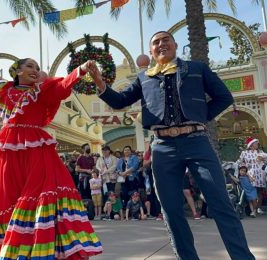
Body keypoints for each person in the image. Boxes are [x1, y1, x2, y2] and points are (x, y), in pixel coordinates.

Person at [88, 31, 255, 259]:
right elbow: (120, 101)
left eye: (166, 39)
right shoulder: (144, 77)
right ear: (151, 51)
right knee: (171, 210)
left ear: (175, 45)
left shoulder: (197, 68)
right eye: (155, 42)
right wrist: (100, 83)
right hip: (162, 146)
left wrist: (199, 117)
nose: (161, 44)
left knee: (220, 203)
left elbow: (224, 97)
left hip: (196, 141)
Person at [0, 59, 102, 259]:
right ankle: (16, 251)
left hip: (37, 148)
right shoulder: (1, 89)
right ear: (17, 70)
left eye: (37, 67)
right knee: (8, 198)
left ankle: (45, 249)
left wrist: (79, 71)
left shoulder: (42, 90)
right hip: (8, 152)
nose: (36, 70)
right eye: (30, 66)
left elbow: (62, 86)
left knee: (43, 192)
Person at [239, 137, 267, 214]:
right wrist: (244, 171)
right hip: (250, 173)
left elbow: (266, 160)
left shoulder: (260, 152)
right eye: (256, 143)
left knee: (259, 191)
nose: (257, 144)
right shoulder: (244, 153)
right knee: (251, 190)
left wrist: (263, 159)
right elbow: (240, 163)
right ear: (251, 144)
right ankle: (252, 209)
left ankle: (258, 208)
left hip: (260, 173)